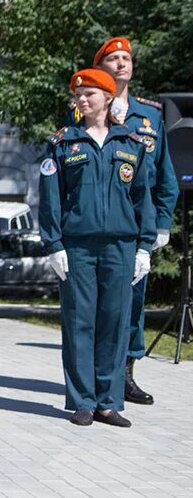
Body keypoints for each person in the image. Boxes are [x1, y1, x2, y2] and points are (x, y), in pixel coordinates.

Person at [39, 67, 155, 428]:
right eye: (78, 95)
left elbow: (142, 198)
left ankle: (108, 401)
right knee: (79, 322)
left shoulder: (131, 144)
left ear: (107, 98)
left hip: (121, 245)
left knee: (115, 322)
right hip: (77, 245)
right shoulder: (62, 143)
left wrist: (144, 247)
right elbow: (51, 198)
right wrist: (54, 243)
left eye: (89, 93)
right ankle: (82, 401)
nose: (82, 100)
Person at [92, 36, 178, 405]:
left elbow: (163, 174)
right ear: (102, 68)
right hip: (96, 223)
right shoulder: (87, 109)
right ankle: (97, 377)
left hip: (135, 225)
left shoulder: (151, 116)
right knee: (97, 303)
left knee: (133, 301)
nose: (122, 63)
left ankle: (126, 374)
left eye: (127, 58)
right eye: (113, 58)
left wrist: (161, 224)